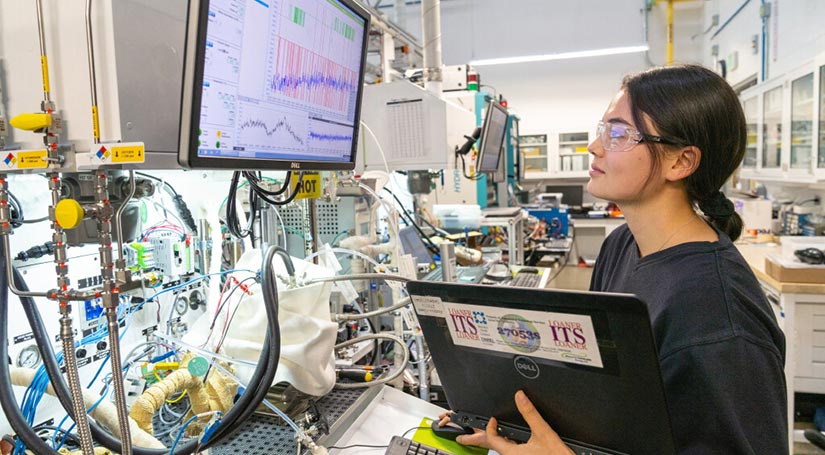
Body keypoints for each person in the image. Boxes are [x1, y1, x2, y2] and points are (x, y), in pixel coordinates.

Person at [440, 64, 787, 454]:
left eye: (619, 133)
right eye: (603, 128)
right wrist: (505, 420)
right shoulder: (622, 245)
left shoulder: (718, 313)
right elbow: (606, 401)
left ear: (681, 162)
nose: (595, 146)